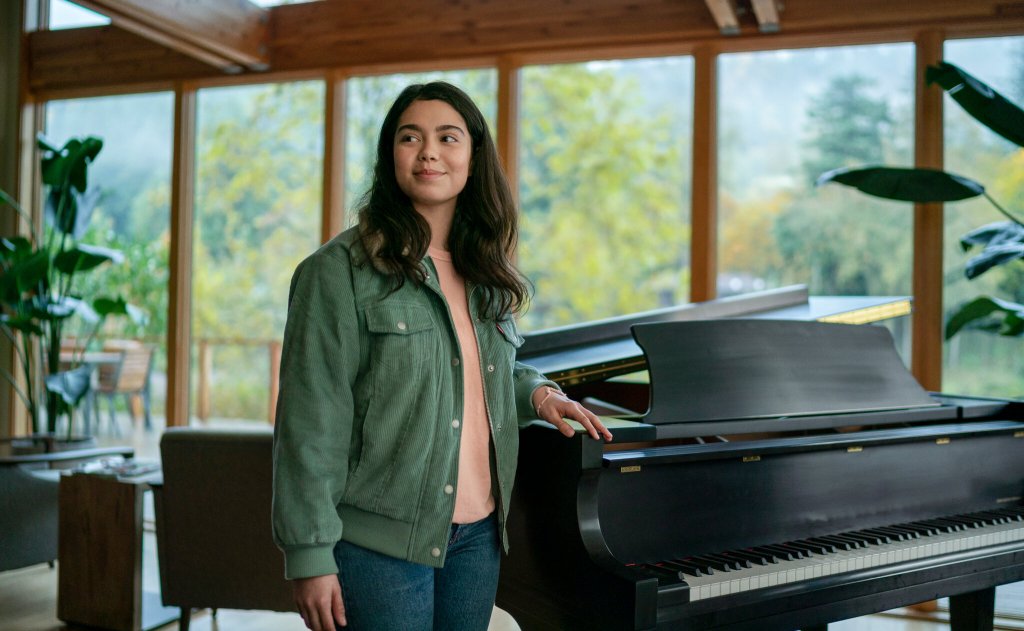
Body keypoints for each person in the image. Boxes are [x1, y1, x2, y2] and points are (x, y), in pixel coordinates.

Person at [272, 81, 613, 631]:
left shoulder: (485, 268)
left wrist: (539, 393)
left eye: (448, 137)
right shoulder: (335, 273)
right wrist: (309, 555)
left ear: (474, 157)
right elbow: (309, 423)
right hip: (376, 546)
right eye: (411, 137)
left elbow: (479, 370)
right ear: (391, 156)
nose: (429, 151)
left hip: (478, 538)